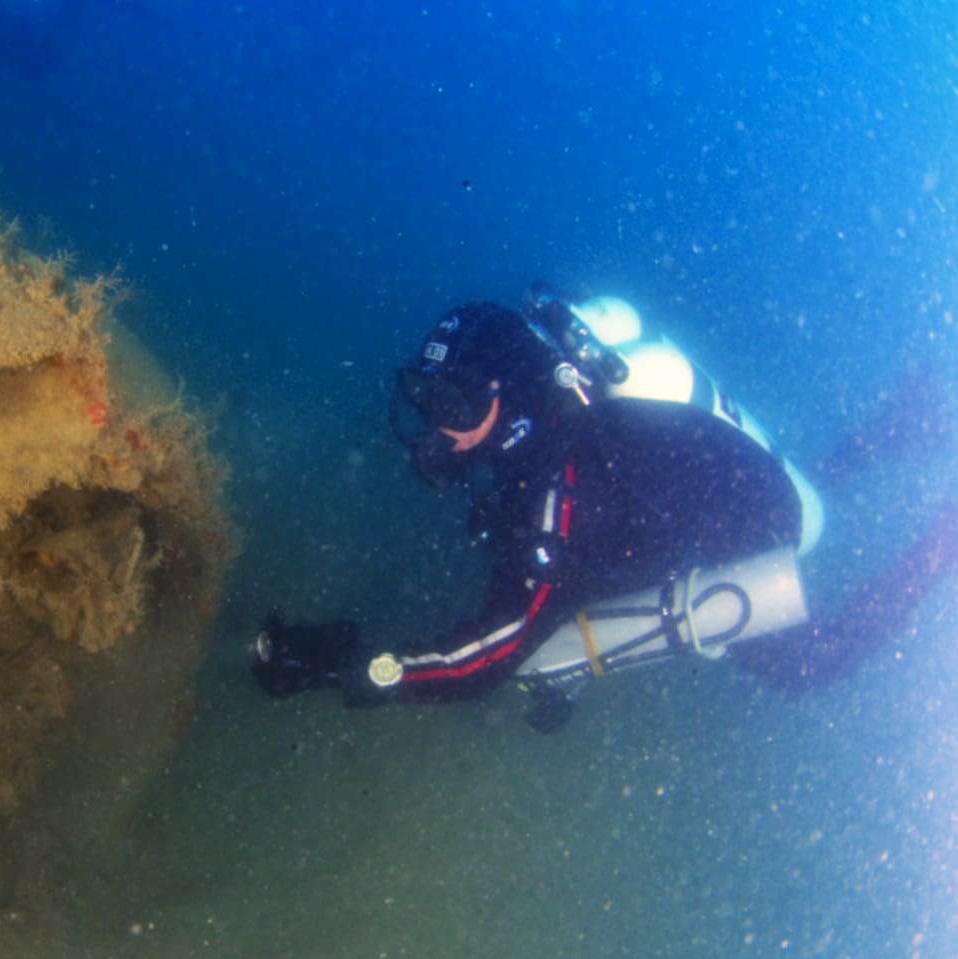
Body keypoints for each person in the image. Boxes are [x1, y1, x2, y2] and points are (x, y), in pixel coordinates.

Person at [250, 283, 956, 730]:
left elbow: (492, 653)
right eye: (427, 400)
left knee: (806, 665)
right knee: (789, 481)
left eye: (456, 406)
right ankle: (900, 426)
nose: (438, 428)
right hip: (709, 469)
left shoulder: (564, 489)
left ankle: (942, 541)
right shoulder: (555, 425)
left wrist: (372, 670)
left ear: (513, 394)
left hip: (743, 515)